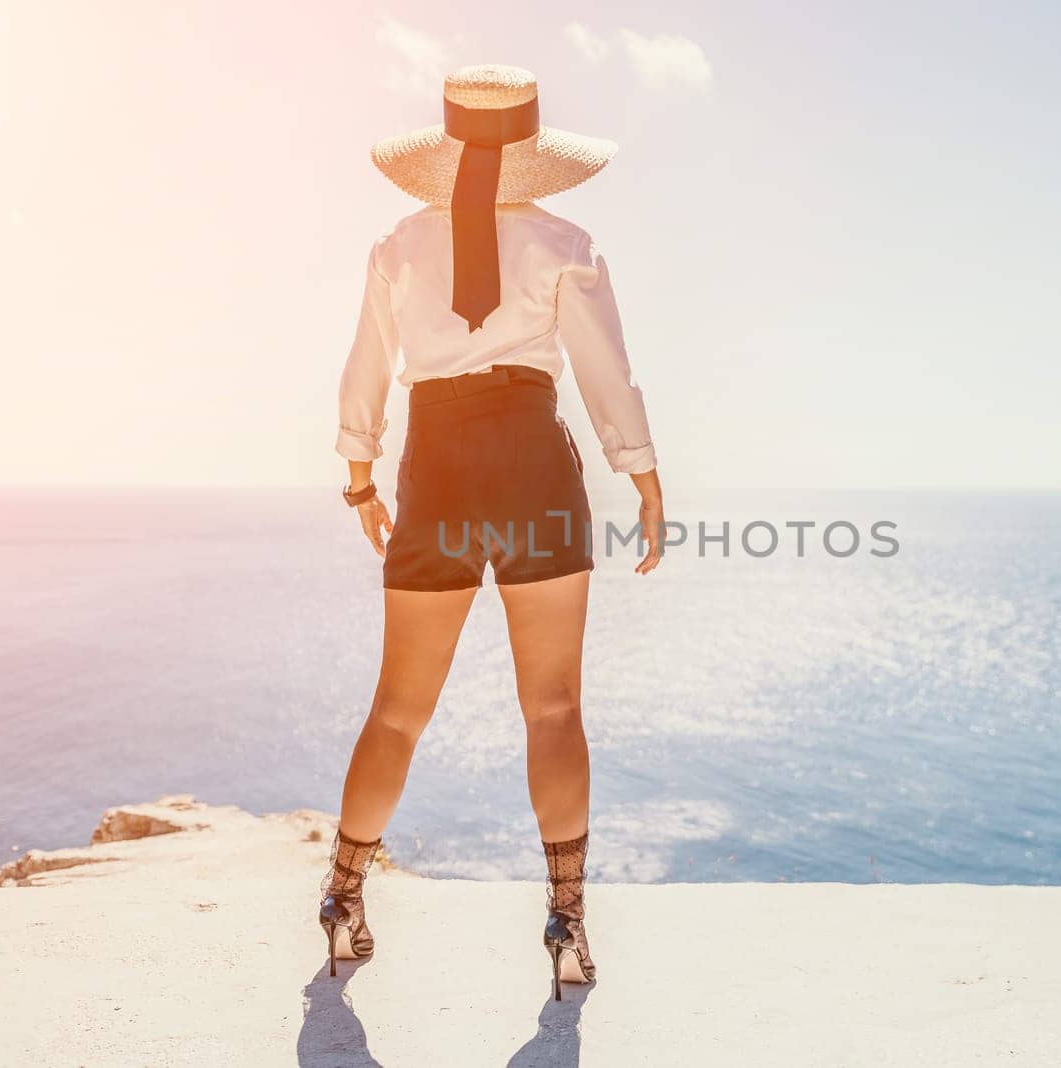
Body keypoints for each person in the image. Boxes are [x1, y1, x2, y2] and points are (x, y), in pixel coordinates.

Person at [318, 64, 664, 1001]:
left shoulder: (397, 247)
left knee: (397, 709)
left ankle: (343, 899)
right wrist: (642, 473)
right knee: (553, 710)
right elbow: (604, 372)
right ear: (531, 155)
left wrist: (361, 479)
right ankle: (568, 923)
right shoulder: (565, 242)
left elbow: (367, 368)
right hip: (533, 465)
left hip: (434, 468)